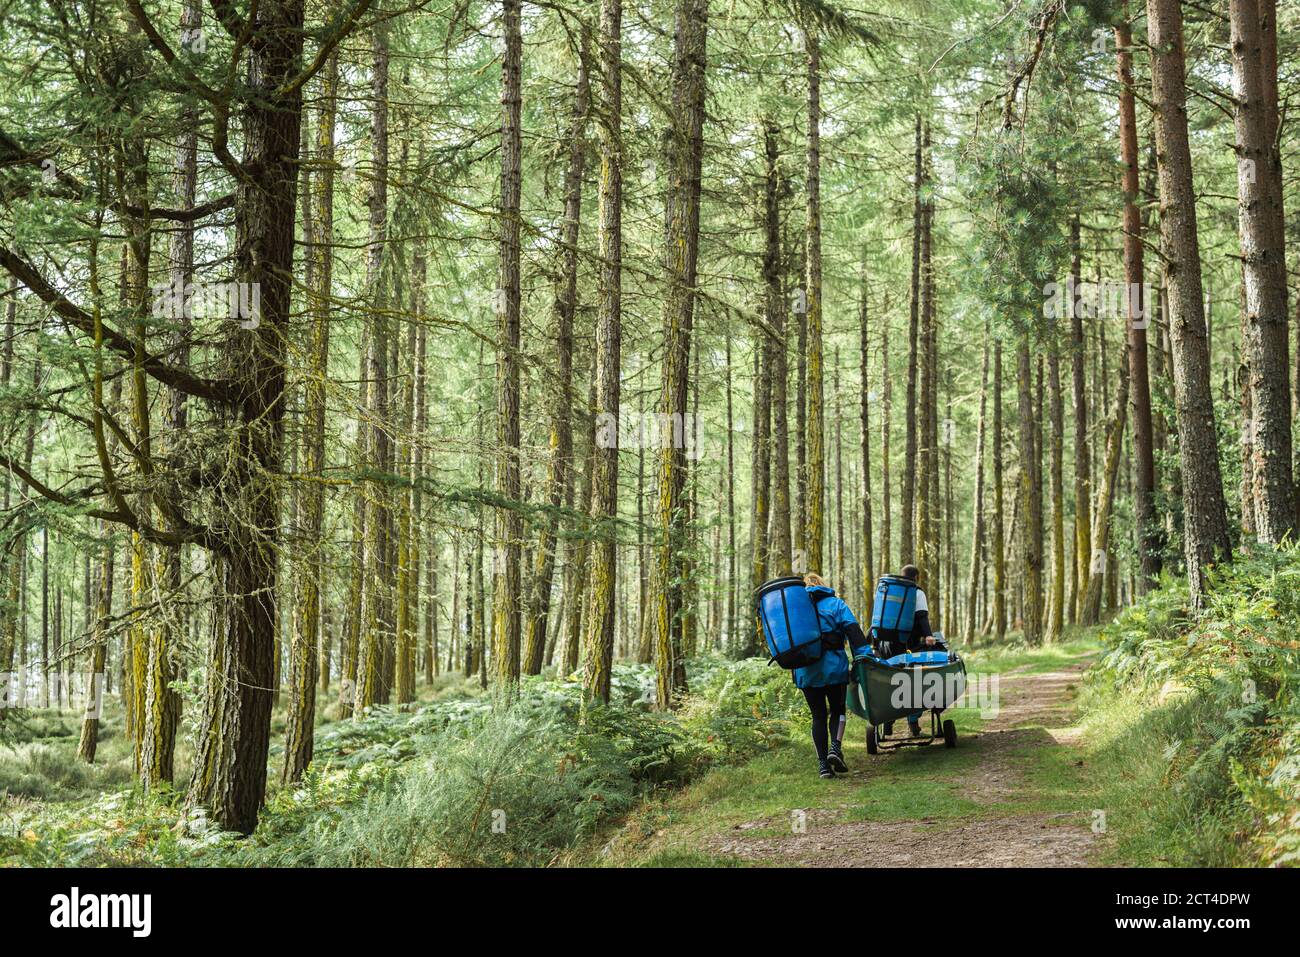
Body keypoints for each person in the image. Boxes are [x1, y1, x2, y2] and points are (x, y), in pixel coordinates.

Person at [793, 573, 870, 779]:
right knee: (837, 710)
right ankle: (835, 749)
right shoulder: (835, 604)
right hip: (834, 668)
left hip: (806, 671)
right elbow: (854, 632)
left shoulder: (796, 609)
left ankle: (823, 767)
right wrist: (864, 658)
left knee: (817, 716)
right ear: (822, 585)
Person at [880, 564, 942, 737]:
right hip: (907, 645)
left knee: (890, 681)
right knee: (913, 682)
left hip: (885, 644)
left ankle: (887, 721)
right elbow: (922, 616)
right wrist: (929, 636)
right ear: (917, 577)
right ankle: (913, 723)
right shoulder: (916, 592)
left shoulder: (889, 590)